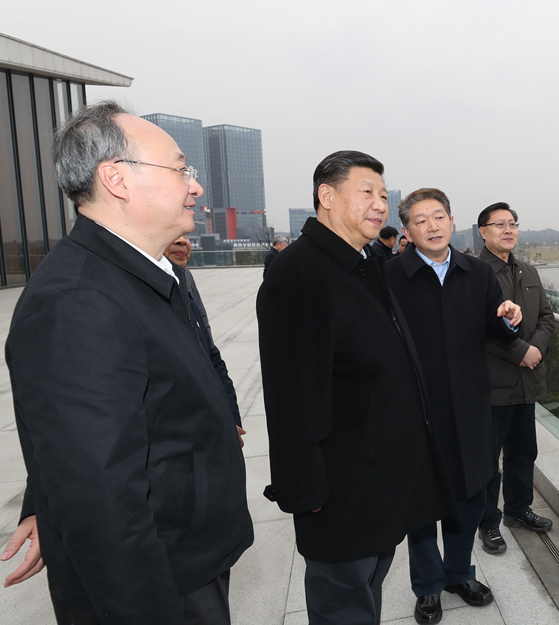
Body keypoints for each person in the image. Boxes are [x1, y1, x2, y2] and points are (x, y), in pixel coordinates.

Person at [3, 101, 253, 623]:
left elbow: (82, 437)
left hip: (189, 554)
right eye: (180, 169)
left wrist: (41, 499)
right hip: (159, 582)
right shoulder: (78, 302)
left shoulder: (141, 274)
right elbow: (101, 500)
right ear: (115, 178)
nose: (195, 186)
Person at [257, 151, 455, 625]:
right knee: (343, 603)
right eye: (367, 192)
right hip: (338, 487)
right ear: (327, 196)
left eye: (383, 195)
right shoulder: (299, 271)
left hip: (376, 476)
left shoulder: (363, 262)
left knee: (367, 592)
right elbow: (288, 394)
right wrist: (304, 488)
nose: (380, 204)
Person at [384, 188, 522, 625]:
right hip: (415, 408)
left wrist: (507, 316)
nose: (432, 226)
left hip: (469, 405)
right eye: (421, 220)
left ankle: (459, 573)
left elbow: (497, 329)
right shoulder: (389, 276)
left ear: (452, 221)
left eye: (439, 217)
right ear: (407, 231)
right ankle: (427, 586)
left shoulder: (477, 272)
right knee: (422, 500)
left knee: (470, 495)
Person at [476, 202, 555, 556]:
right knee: (487, 458)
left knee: (524, 451)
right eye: (499, 224)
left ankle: (518, 509)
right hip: (493, 383)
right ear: (483, 232)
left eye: (513, 224)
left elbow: (547, 317)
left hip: (526, 381)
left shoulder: (528, 271)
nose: (508, 230)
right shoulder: (475, 274)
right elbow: (475, 328)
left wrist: (535, 348)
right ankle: (488, 522)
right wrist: (520, 351)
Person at [164, 236, 246, 446]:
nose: (182, 241)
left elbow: (210, 354)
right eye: (173, 232)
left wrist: (231, 419)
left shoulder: (184, 278)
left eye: (186, 234)